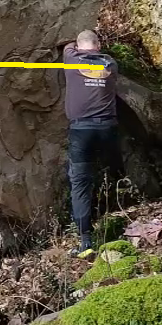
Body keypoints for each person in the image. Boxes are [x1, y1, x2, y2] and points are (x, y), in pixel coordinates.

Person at [63, 30, 125, 257]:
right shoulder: (110, 63)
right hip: (108, 129)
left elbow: (68, 46)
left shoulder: (71, 59)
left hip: (82, 131)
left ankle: (86, 241)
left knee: (80, 182)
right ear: (98, 46)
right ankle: (124, 194)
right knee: (114, 169)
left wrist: (74, 43)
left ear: (79, 46)